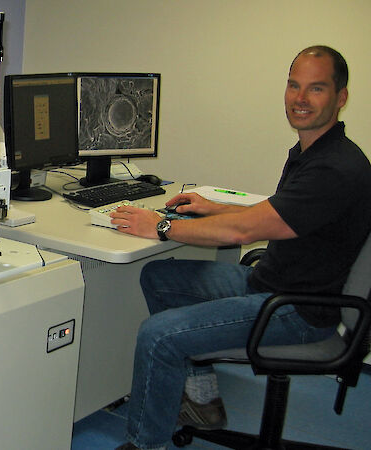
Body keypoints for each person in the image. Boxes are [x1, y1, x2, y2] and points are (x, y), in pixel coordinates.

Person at [110, 45, 371, 450]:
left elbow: (241, 234)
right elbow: (282, 213)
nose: (300, 99)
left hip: (294, 309)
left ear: (341, 97)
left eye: (315, 89)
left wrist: (160, 227)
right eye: (293, 86)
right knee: (159, 277)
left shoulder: (335, 168)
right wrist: (216, 207)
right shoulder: (315, 150)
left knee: (158, 336)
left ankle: (146, 444)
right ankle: (201, 400)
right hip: (273, 283)